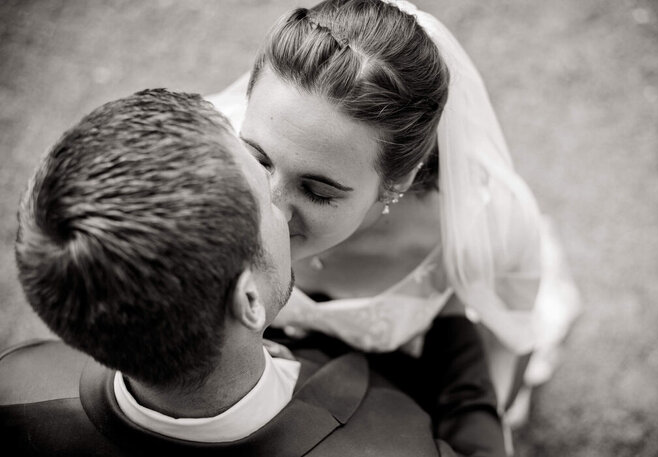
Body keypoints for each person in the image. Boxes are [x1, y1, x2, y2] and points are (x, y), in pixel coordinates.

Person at [0, 89, 503, 456]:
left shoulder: (17, 386)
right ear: (248, 302)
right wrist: (455, 323)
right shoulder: (397, 444)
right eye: (264, 193)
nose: (284, 205)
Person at [208, 0, 581, 437]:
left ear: (397, 179)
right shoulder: (200, 155)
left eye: (318, 191)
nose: (268, 211)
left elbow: (506, 348)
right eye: (258, 159)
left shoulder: (479, 229)